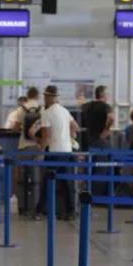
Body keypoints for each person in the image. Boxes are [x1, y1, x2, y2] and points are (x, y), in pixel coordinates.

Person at [36, 85, 79, 220]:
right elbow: (75, 127)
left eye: (45, 96)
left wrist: (40, 152)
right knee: (67, 183)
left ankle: (39, 211)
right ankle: (70, 211)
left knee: (47, 182)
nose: (44, 99)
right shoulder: (65, 111)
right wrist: (68, 136)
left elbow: (46, 137)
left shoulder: (46, 113)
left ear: (48, 97)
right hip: (67, 152)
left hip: (54, 153)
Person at [12, 87, 43, 217]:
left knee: (22, 178)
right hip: (38, 147)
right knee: (37, 178)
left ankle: (22, 207)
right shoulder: (42, 109)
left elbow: (15, 128)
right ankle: (35, 206)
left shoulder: (21, 109)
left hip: (23, 147)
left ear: (27, 95)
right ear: (37, 96)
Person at [81, 85, 114, 152]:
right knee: (104, 161)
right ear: (102, 94)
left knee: (91, 160)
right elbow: (111, 118)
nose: (108, 96)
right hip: (102, 139)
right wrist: (106, 129)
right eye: (107, 94)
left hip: (89, 139)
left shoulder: (87, 106)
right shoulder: (106, 106)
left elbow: (81, 106)